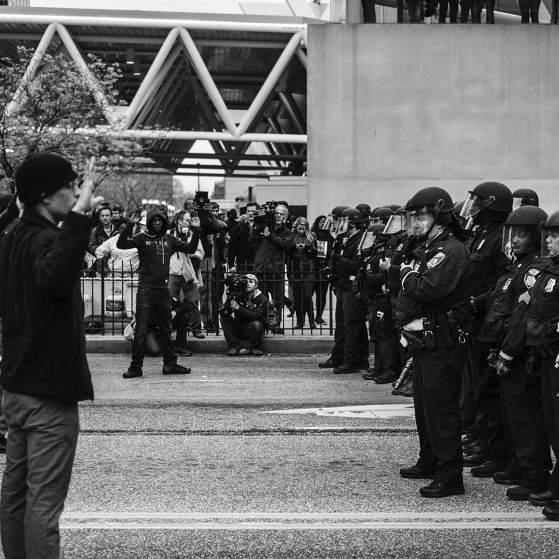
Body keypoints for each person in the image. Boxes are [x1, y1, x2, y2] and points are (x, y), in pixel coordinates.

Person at [0, 152, 98, 558]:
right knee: (43, 506)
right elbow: (55, 277)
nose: (76, 193)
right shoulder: (43, 239)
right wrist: (79, 217)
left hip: (17, 387)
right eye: (70, 187)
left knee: (15, 496)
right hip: (48, 394)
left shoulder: (13, 237)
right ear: (45, 195)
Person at [398, 187, 471, 498]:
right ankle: (430, 460)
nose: (414, 223)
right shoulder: (428, 248)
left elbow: (429, 288)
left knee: (441, 409)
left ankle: (450, 474)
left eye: (420, 216)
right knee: (425, 406)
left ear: (438, 217)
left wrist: (406, 276)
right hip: (427, 339)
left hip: (443, 339)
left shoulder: (450, 250)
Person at [488, 206, 550, 502]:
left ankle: (534, 475)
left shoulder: (533, 271)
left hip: (523, 355)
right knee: (513, 415)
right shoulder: (521, 267)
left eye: (522, 234)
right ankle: (521, 465)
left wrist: (508, 353)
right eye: (512, 234)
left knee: (526, 418)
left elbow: (523, 316)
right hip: (512, 347)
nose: (514, 240)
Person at [459, 182, 513, 478]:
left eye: (478, 203)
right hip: (474, 320)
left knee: (487, 388)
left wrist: (476, 302)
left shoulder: (500, 238)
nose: (474, 208)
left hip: (488, 321)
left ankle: (495, 450)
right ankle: (482, 440)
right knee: (477, 387)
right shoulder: (480, 235)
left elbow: (502, 283)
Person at [116, 207, 197, 378]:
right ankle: (135, 367)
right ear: (150, 223)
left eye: (160, 220)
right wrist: (130, 225)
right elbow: (121, 245)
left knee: (166, 329)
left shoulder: (170, 239)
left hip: (163, 291)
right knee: (141, 330)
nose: (157, 223)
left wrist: (196, 231)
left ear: (165, 222)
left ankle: (170, 364)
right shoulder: (142, 238)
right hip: (146, 290)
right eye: (154, 220)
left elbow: (190, 249)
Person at [525, 211, 559, 521]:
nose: (547, 239)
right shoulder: (551, 270)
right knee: (553, 424)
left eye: (554, 234)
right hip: (548, 355)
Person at [323, 207, 370, 375]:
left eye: (343, 221)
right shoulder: (344, 239)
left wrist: (339, 259)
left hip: (352, 287)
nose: (339, 225)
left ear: (352, 223)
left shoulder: (360, 239)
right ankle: (340, 356)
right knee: (342, 325)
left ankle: (352, 361)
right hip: (343, 286)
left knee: (352, 325)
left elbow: (355, 266)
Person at [249, 203, 292, 333]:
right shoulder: (264, 227)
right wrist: (257, 229)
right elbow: (251, 242)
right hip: (261, 269)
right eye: (276, 213)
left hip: (276, 271)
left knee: (278, 301)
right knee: (260, 300)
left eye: (281, 213)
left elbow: (286, 245)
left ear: (286, 216)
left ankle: (276, 325)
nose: (278, 215)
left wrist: (270, 236)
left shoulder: (287, 232)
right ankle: (261, 325)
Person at [168, 210, 205, 354]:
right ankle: (171, 327)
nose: (189, 222)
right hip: (173, 271)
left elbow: (200, 253)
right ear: (179, 221)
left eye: (190, 220)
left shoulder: (192, 234)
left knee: (193, 299)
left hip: (188, 271)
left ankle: (196, 328)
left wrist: (189, 250)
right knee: (171, 299)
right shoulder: (170, 233)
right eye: (186, 220)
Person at [220, 274, 267, 356]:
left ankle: (254, 347)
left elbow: (257, 316)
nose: (248, 284)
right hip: (239, 326)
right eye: (246, 282)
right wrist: (229, 298)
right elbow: (226, 312)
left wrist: (239, 308)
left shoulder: (262, 298)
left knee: (257, 324)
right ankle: (234, 346)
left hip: (252, 329)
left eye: (251, 282)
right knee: (224, 318)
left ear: (256, 285)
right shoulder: (239, 295)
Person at [286, 217, 318, 329]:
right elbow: (286, 250)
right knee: (298, 297)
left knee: (307, 297)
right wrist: (295, 246)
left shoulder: (311, 236)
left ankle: (311, 321)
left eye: (303, 226)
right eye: (299, 226)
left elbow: (316, 253)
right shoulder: (291, 236)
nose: (301, 228)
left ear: (306, 227)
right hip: (294, 271)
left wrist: (306, 247)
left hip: (308, 270)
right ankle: (300, 322)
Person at [228, 202, 257, 273]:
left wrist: (261, 214)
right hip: (242, 263)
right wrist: (231, 265)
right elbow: (232, 246)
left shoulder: (262, 226)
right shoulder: (239, 227)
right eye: (249, 211)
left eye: (253, 211)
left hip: (258, 263)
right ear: (246, 212)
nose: (250, 213)